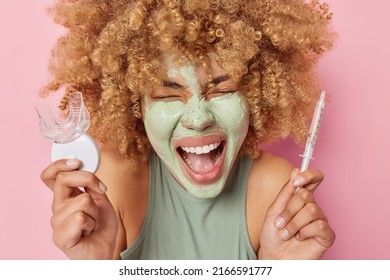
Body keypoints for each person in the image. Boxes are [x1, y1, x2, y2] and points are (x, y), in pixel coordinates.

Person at [40, 0, 336, 259]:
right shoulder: (112, 184)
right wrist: (96, 268)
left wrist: (277, 269)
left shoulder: (277, 191)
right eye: (168, 95)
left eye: (223, 90)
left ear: (255, 94)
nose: (198, 118)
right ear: (135, 107)